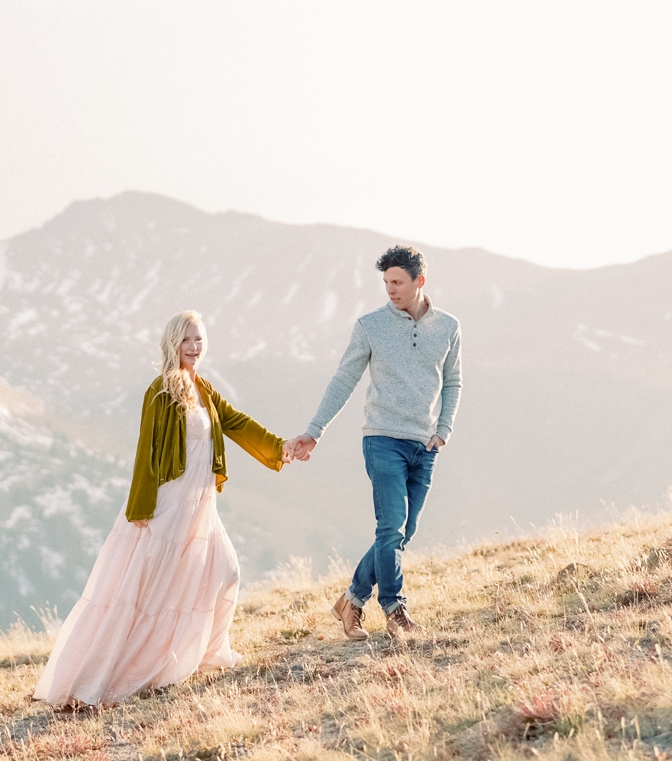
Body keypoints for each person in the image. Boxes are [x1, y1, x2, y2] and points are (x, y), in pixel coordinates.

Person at [33, 309, 300, 708]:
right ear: (172, 344)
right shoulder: (161, 391)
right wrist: (141, 507)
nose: (193, 348)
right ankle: (105, 677)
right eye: (186, 340)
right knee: (147, 593)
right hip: (168, 505)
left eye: (199, 340)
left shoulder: (204, 388)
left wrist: (280, 447)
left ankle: (211, 654)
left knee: (225, 571)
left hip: (201, 505)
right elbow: (147, 452)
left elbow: (236, 422)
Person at [288, 246, 462, 640]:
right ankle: (394, 609)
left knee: (403, 531)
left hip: (426, 443)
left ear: (420, 281)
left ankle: (352, 599)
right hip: (382, 438)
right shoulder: (370, 326)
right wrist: (314, 430)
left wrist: (444, 429)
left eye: (398, 282)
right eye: (386, 283)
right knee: (390, 527)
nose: (390, 290)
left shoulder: (449, 327)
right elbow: (343, 380)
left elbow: (453, 381)